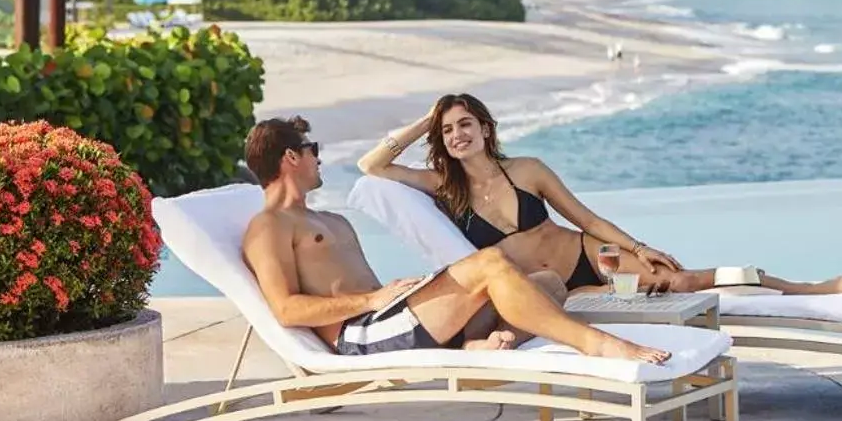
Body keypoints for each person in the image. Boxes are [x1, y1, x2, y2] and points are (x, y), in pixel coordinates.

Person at [241, 116, 668, 363]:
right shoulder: (269, 227)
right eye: (312, 148)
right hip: (363, 333)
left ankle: (485, 343)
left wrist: (408, 293)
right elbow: (285, 309)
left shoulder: (328, 218)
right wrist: (370, 302)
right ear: (291, 158)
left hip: (395, 314)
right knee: (489, 263)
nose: (319, 157)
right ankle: (599, 345)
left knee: (548, 281)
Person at [356, 93, 842, 297]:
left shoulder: (527, 170)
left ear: (486, 129)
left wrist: (639, 248)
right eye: (447, 131)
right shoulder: (445, 188)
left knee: (680, 280)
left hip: (590, 257)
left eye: (465, 124)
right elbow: (370, 166)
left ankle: (806, 289)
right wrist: (429, 114)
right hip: (554, 289)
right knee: (601, 300)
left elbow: (586, 218)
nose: (457, 135)